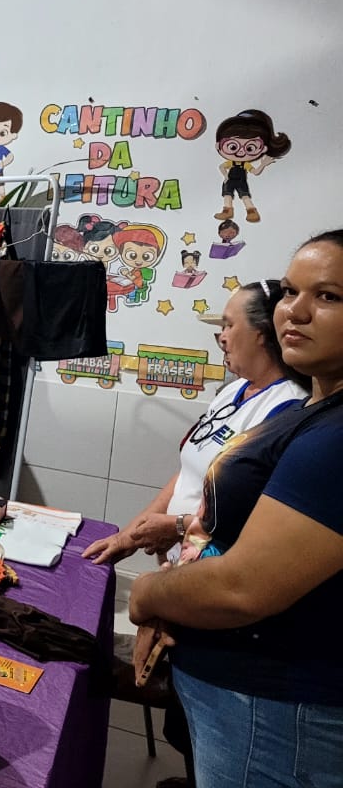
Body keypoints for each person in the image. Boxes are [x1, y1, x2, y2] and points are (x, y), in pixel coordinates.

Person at [129, 231, 343, 788]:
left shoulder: (333, 433)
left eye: (328, 297)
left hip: (274, 708)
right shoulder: (314, 410)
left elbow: (245, 585)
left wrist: (149, 596)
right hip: (235, 693)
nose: (293, 311)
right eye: (291, 292)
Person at [85, 281, 307, 567]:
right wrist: (128, 537)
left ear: (261, 333)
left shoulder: (287, 408)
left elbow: (252, 513)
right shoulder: (233, 391)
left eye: (228, 326)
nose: (221, 338)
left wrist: (176, 526)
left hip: (218, 566)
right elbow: (189, 474)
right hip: (182, 559)